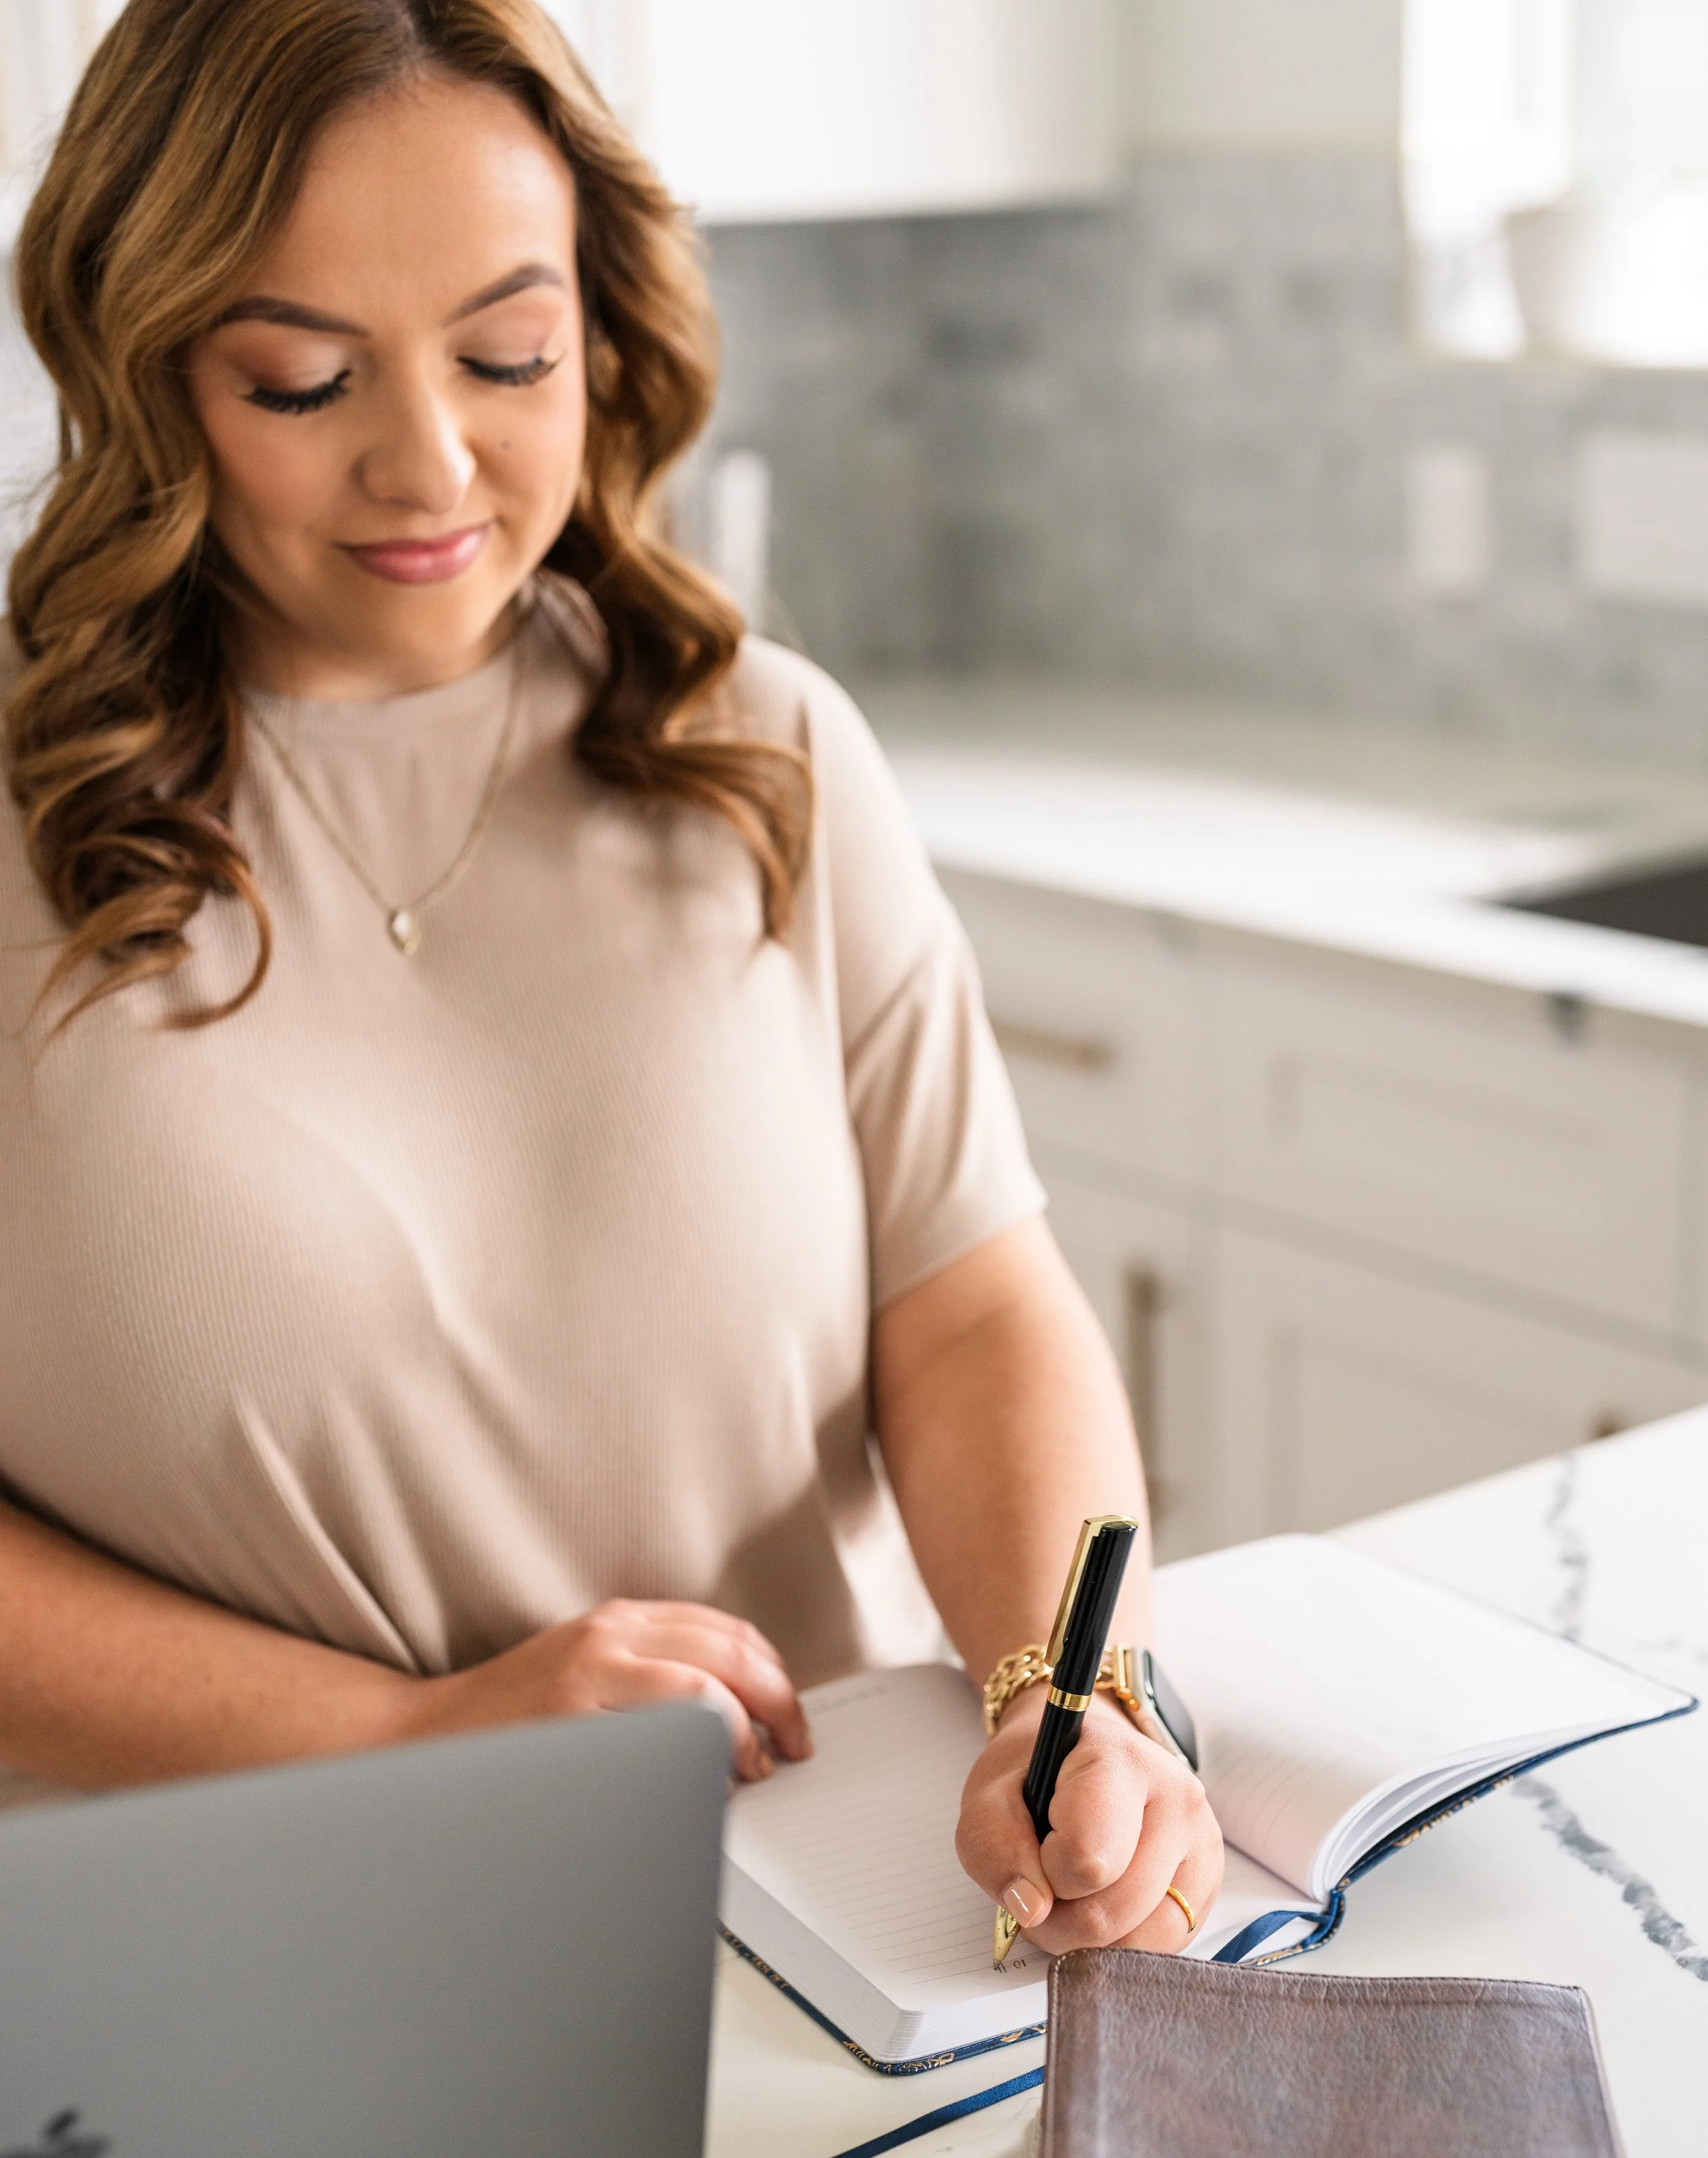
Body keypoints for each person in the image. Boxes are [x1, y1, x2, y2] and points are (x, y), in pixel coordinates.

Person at [0, 0, 1222, 1955]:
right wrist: (419, 1735)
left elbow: (974, 1304)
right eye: (302, 379)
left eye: (509, 355)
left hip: (838, 1929)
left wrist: (1063, 1692)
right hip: (216, 1971)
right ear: (147, 368)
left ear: (602, 326)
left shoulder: (768, 751)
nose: (430, 462)